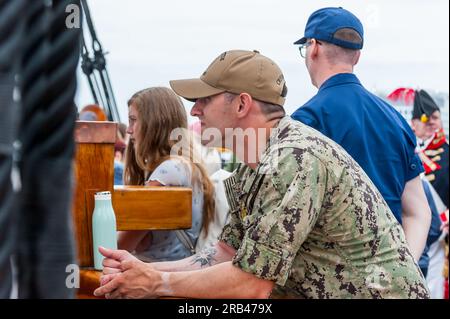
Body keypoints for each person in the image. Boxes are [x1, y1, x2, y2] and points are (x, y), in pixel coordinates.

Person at [93, 50, 429, 299]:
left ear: (241, 105)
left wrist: (154, 283)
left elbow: (250, 286)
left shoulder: (293, 158)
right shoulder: (254, 166)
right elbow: (224, 254)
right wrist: (140, 271)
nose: (193, 111)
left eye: (203, 100)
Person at [291, 7, 431, 262]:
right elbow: (418, 211)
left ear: (313, 48)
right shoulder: (395, 119)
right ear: (356, 57)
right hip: (391, 279)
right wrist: (402, 271)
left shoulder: (306, 121)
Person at [117, 87, 216, 262]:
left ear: (153, 124)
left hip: (153, 277)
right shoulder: (185, 165)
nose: (129, 130)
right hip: (173, 272)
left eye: (133, 121)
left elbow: (121, 244)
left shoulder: (168, 172)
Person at [412, 89, 449, 208]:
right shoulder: (406, 151)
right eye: (425, 118)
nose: (431, 122)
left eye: (435, 117)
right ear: (413, 123)